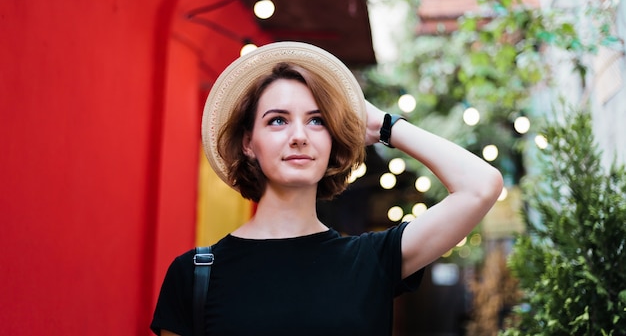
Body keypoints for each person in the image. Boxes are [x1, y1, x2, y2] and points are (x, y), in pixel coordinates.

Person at [151, 41, 503, 336]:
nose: (299, 136)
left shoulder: (372, 260)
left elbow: (481, 185)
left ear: (332, 141)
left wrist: (382, 125)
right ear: (248, 143)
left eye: (317, 120)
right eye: (277, 120)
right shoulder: (196, 273)